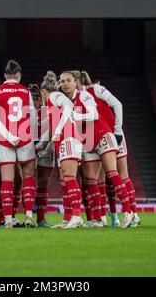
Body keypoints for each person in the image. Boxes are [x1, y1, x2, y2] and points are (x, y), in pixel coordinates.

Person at [59, 71, 132, 228]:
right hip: (87, 141)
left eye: (68, 80)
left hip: (102, 135)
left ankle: (128, 213)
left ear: (75, 82)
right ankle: (97, 219)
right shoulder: (65, 102)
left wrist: (73, 116)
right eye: (62, 81)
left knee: (112, 173)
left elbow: (93, 114)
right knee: (90, 180)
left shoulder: (84, 96)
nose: (65, 84)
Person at [78, 71, 141, 227]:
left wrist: (118, 129)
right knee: (98, 180)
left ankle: (133, 214)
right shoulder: (74, 98)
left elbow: (117, 104)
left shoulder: (96, 89)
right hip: (93, 138)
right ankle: (106, 217)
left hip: (111, 134)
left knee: (121, 174)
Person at [0, 60, 38, 228]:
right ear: (18, 75)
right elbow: (32, 116)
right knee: (29, 178)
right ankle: (29, 216)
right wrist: (29, 136)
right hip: (25, 137)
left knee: (7, 180)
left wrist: (9, 135)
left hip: (4, 139)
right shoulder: (25, 91)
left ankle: (8, 219)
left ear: (4, 75)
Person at [39, 71, 84, 229]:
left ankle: (77, 217)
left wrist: (58, 130)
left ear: (44, 92)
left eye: (41, 95)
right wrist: (39, 147)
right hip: (65, 140)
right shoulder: (52, 105)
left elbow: (69, 106)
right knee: (66, 181)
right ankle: (67, 218)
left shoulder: (54, 96)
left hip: (68, 137)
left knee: (69, 178)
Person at [30, 84, 53, 227]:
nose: (30, 103)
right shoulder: (23, 112)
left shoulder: (48, 111)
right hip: (29, 150)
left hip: (46, 150)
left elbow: (53, 131)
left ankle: (41, 218)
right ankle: (24, 217)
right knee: (27, 184)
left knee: (43, 184)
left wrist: (44, 149)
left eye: (32, 100)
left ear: (39, 100)